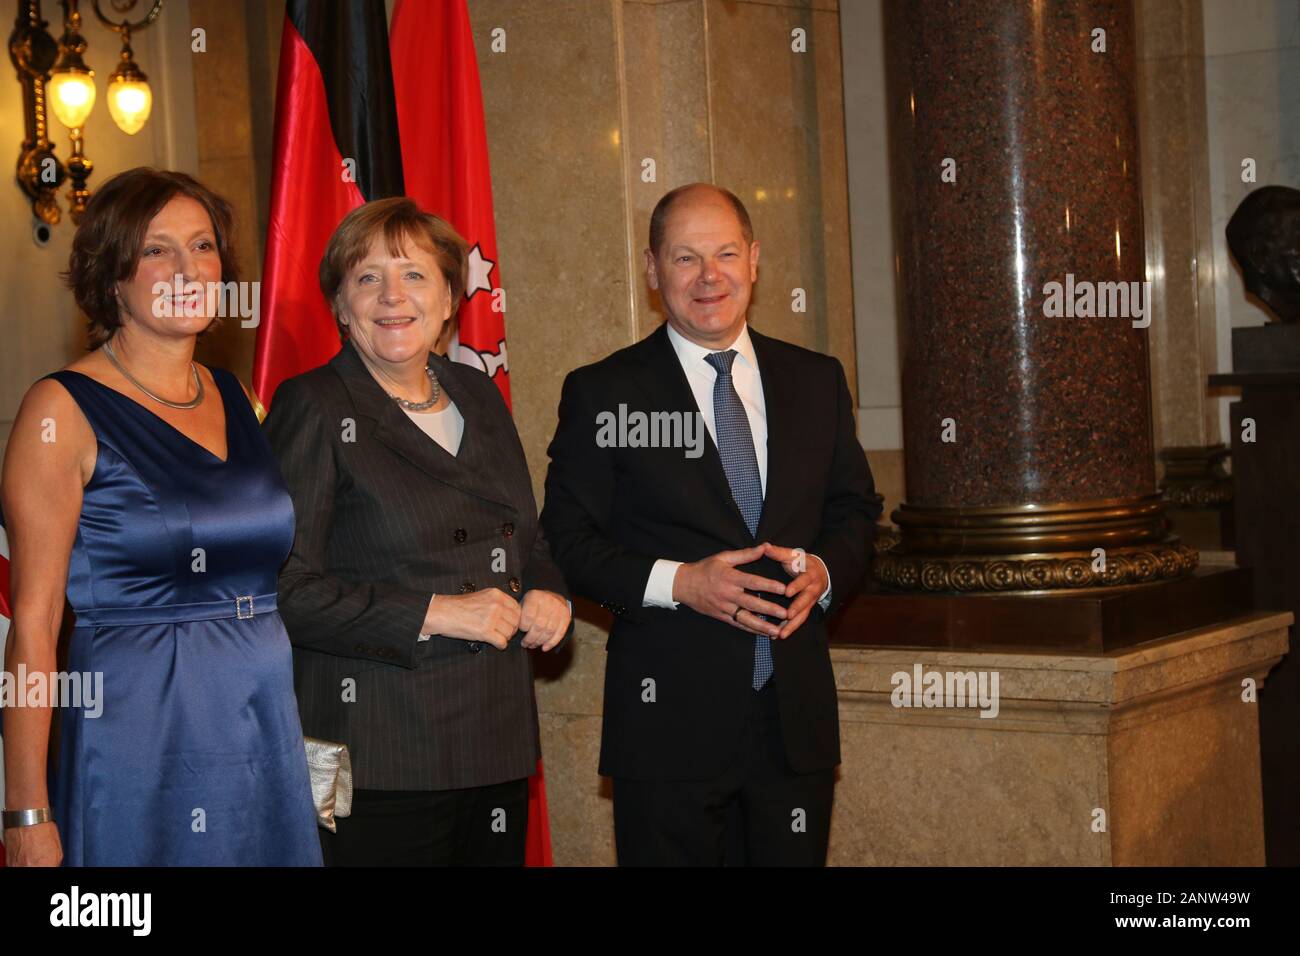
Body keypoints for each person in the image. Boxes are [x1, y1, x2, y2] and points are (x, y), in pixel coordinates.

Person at [542, 183, 880, 866]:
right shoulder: (606, 391)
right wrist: (680, 584)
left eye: (726, 253)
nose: (709, 276)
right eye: (685, 258)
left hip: (796, 727)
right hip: (668, 727)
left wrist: (824, 571)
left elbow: (857, 512)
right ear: (652, 270)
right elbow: (565, 542)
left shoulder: (815, 380)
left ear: (754, 260)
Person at [0, 167, 321, 866]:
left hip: (260, 729)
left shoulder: (241, 398)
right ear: (112, 277)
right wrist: (25, 809)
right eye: (156, 250)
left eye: (203, 247)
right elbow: (34, 622)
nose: (187, 268)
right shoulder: (60, 411)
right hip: (137, 740)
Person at [264, 197, 571, 867]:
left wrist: (548, 589)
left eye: (413, 275)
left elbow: (528, 537)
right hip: (378, 755)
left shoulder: (477, 391)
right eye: (367, 278)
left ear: (449, 299)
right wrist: (433, 613)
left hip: (493, 741)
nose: (391, 296)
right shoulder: (312, 406)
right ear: (340, 306)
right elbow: (282, 589)